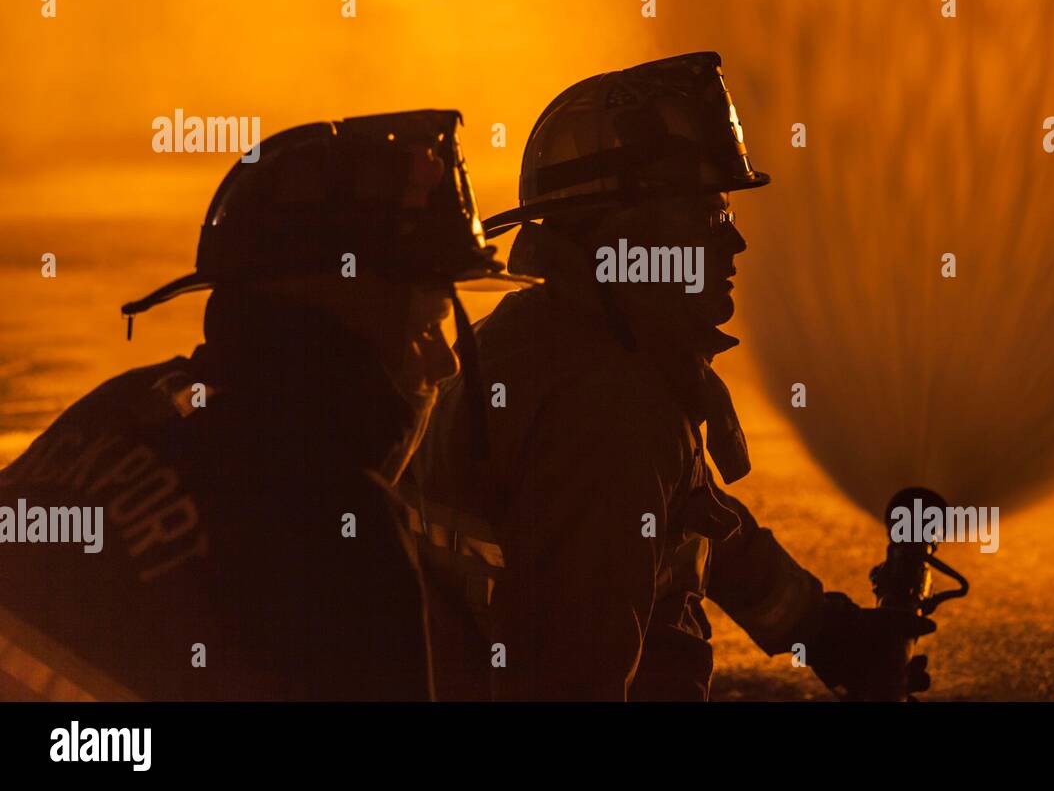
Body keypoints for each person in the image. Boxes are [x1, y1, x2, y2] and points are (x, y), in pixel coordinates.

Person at [416, 53, 933, 700]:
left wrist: (822, 630)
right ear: (628, 234)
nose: (736, 244)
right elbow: (577, 677)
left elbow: (692, 522)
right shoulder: (610, 408)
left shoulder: (549, 340)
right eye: (710, 219)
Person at [0, 110, 533, 700]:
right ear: (339, 331)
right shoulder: (331, 528)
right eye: (426, 326)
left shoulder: (121, 408)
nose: (446, 364)